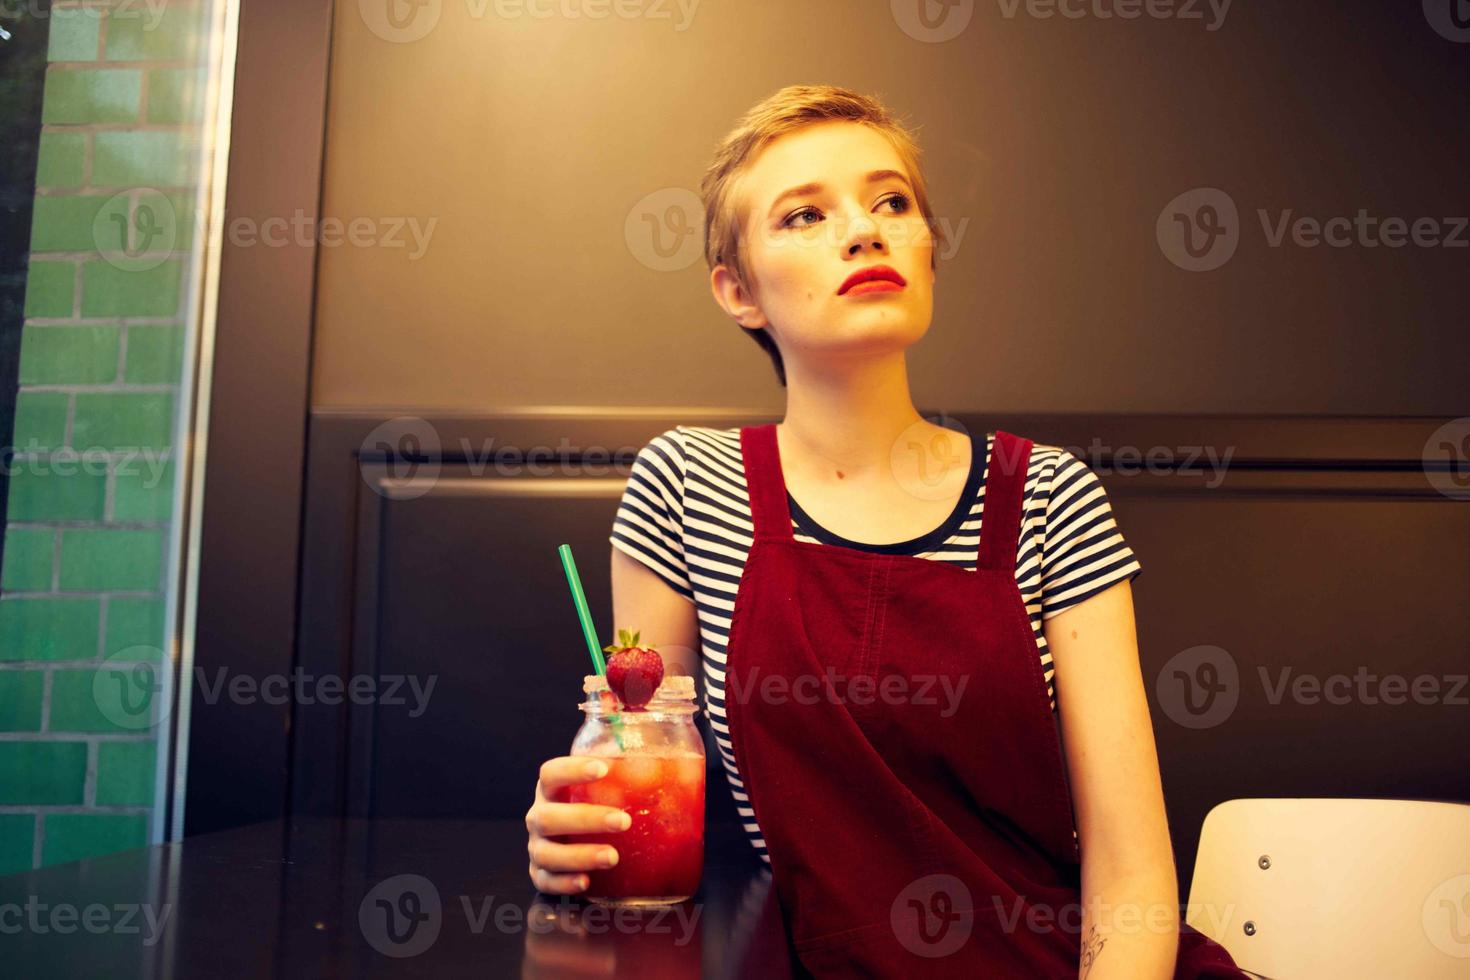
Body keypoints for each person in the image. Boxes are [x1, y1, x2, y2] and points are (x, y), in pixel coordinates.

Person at [526, 84, 1247, 978]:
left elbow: (1132, 880)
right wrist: (578, 838)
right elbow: (651, 767)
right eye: (803, 215)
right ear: (738, 291)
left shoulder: (1051, 495)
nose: (865, 230)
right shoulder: (685, 485)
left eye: (892, 201)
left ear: (930, 255)